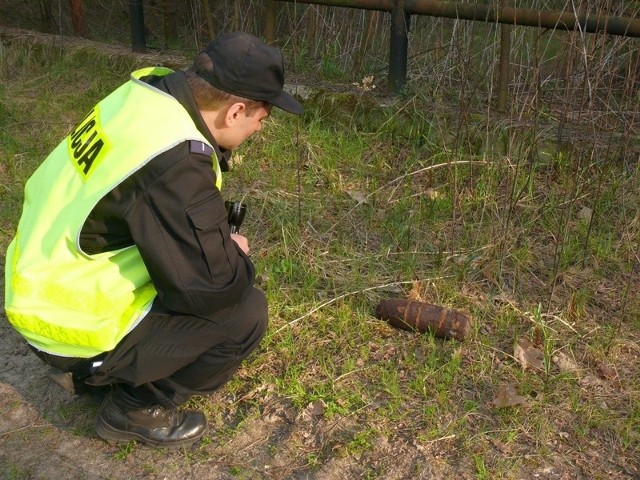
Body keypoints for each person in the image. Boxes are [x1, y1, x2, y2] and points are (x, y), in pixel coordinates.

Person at [4, 32, 303, 448]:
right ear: (236, 111)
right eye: (261, 120)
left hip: (35, 284)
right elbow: (208, 288)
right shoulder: (177, 160)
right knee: (244, 312)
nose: (257, 129)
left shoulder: (145, 95)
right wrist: (232, 254)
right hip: (68, 322)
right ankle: (134, 407)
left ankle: (99, 367)